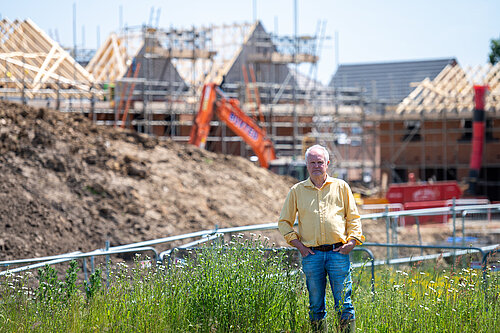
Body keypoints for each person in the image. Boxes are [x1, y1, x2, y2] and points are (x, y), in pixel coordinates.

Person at [278, 144, 365, 332]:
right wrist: (300, 247)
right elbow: (284, 222)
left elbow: (354, 218)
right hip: (312, 256)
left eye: (320, 162)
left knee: (344, 305)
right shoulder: (296, 191)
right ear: (306, 165)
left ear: (327, 163)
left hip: (338, 253)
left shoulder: (341, 187)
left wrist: (351, 242)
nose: (316, 166)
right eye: (312, 162)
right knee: (316, 306)